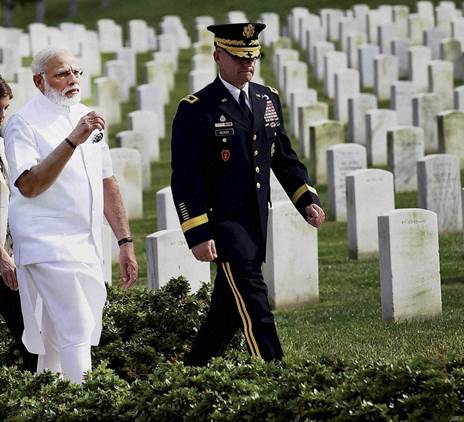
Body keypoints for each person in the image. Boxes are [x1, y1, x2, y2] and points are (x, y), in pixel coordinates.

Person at [171, 22, 325, 366]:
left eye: (253, 57)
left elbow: (282, 156)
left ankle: (191, 373)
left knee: (225, 315)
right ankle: (275, 373)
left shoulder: (266, 98)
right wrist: (197, 232)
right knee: (255, 303)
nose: (248, 64)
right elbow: (186, 178)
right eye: (239, 58)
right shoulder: (197, 108)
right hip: (224, 225)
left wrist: (306, 198)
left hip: (257, 221)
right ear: (217, 57)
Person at [3, 47, 138, 384]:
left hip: (86, 241)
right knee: (76, 325)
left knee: (52, 338)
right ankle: (88, 401)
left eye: (76, 72)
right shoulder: (23, 123)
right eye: (62, 73)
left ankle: (47, 402)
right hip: (46, 241)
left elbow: (106, 179)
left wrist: (125, 241)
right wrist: (73, 140)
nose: (72, 80)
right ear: (39, 81)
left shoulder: (87, 116)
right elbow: (29, 185)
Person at [0, 77, 37, 372]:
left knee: (30, 338)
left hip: (11, 256)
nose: (3, 116)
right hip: (3, 261)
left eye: (6, 108)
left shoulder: (2, 145)